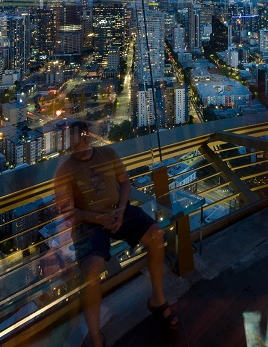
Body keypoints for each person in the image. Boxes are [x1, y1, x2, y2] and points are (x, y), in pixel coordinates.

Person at [54, 122, 178, 347]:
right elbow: (69, 212)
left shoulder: (108, 153)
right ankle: (95, 337)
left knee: (156, 235)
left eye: (83, 136)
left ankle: (157, 299)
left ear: (89, 137)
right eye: (74, 138)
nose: (80, 142)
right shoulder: (65, 171)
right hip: (90, 223)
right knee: (91, 271)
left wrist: (121, 210)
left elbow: (125, 183)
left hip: (118, 211)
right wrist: (97, 218)